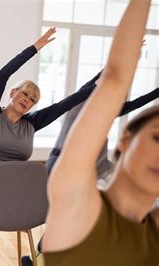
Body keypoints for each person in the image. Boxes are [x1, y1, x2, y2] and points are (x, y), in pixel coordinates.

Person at [0, 27, 106, 266]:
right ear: (12, 93)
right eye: (24, 93)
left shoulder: (32, 123)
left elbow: (70, 100)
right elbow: (2, 74)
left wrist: (108, 73)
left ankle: (36, 261)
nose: (27, 100)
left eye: (32, 99)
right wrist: (34, 49)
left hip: (21, 195)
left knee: (66, 216)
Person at [42, 0, 159, 264]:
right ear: (126, 138)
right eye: (157, 138)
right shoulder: (76, 203)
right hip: (62, 161)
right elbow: (114, 80)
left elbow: (131, 100)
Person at [21, 86, 159, 266]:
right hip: (62, 160)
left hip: (95, 164)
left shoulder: (111, 109)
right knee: (68, 216)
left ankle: (38, 258)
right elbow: (112, 81)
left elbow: (137, 103)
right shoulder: (83, 104)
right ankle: (38, 258)